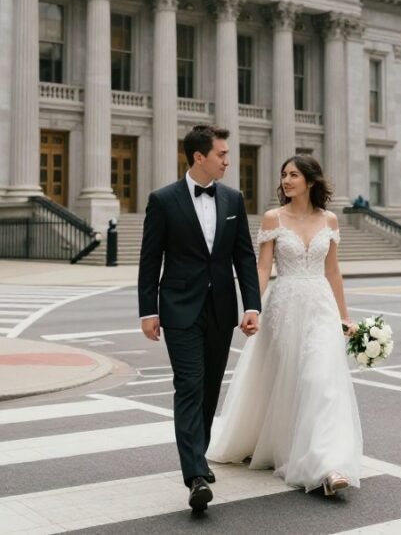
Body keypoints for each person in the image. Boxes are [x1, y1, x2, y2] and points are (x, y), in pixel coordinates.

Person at [207, 154, 362, 496]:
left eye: (293, 174)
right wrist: (252, 307)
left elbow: (332, 271)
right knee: (288, 380)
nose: (287, 180)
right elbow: (263, 269)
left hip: (320, 306)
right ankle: (286, 444)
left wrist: (344, 316)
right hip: (285, 306)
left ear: (310, 180)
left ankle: (329, 465)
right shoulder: (273, 218)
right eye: (284, 175)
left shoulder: (330, 221)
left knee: (321, 380)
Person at [137, 124, 261, 513]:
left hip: (221, 309)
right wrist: (149, 310)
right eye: (222, 154)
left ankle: (199, 456)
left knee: (209, 388)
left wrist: (252, 305)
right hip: (179, 309)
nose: (228, 160)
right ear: (199, 157)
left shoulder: (233, 199)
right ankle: (194, 474)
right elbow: (149, 258)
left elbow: (243, 256)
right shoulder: (163, 200)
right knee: (189, 385)